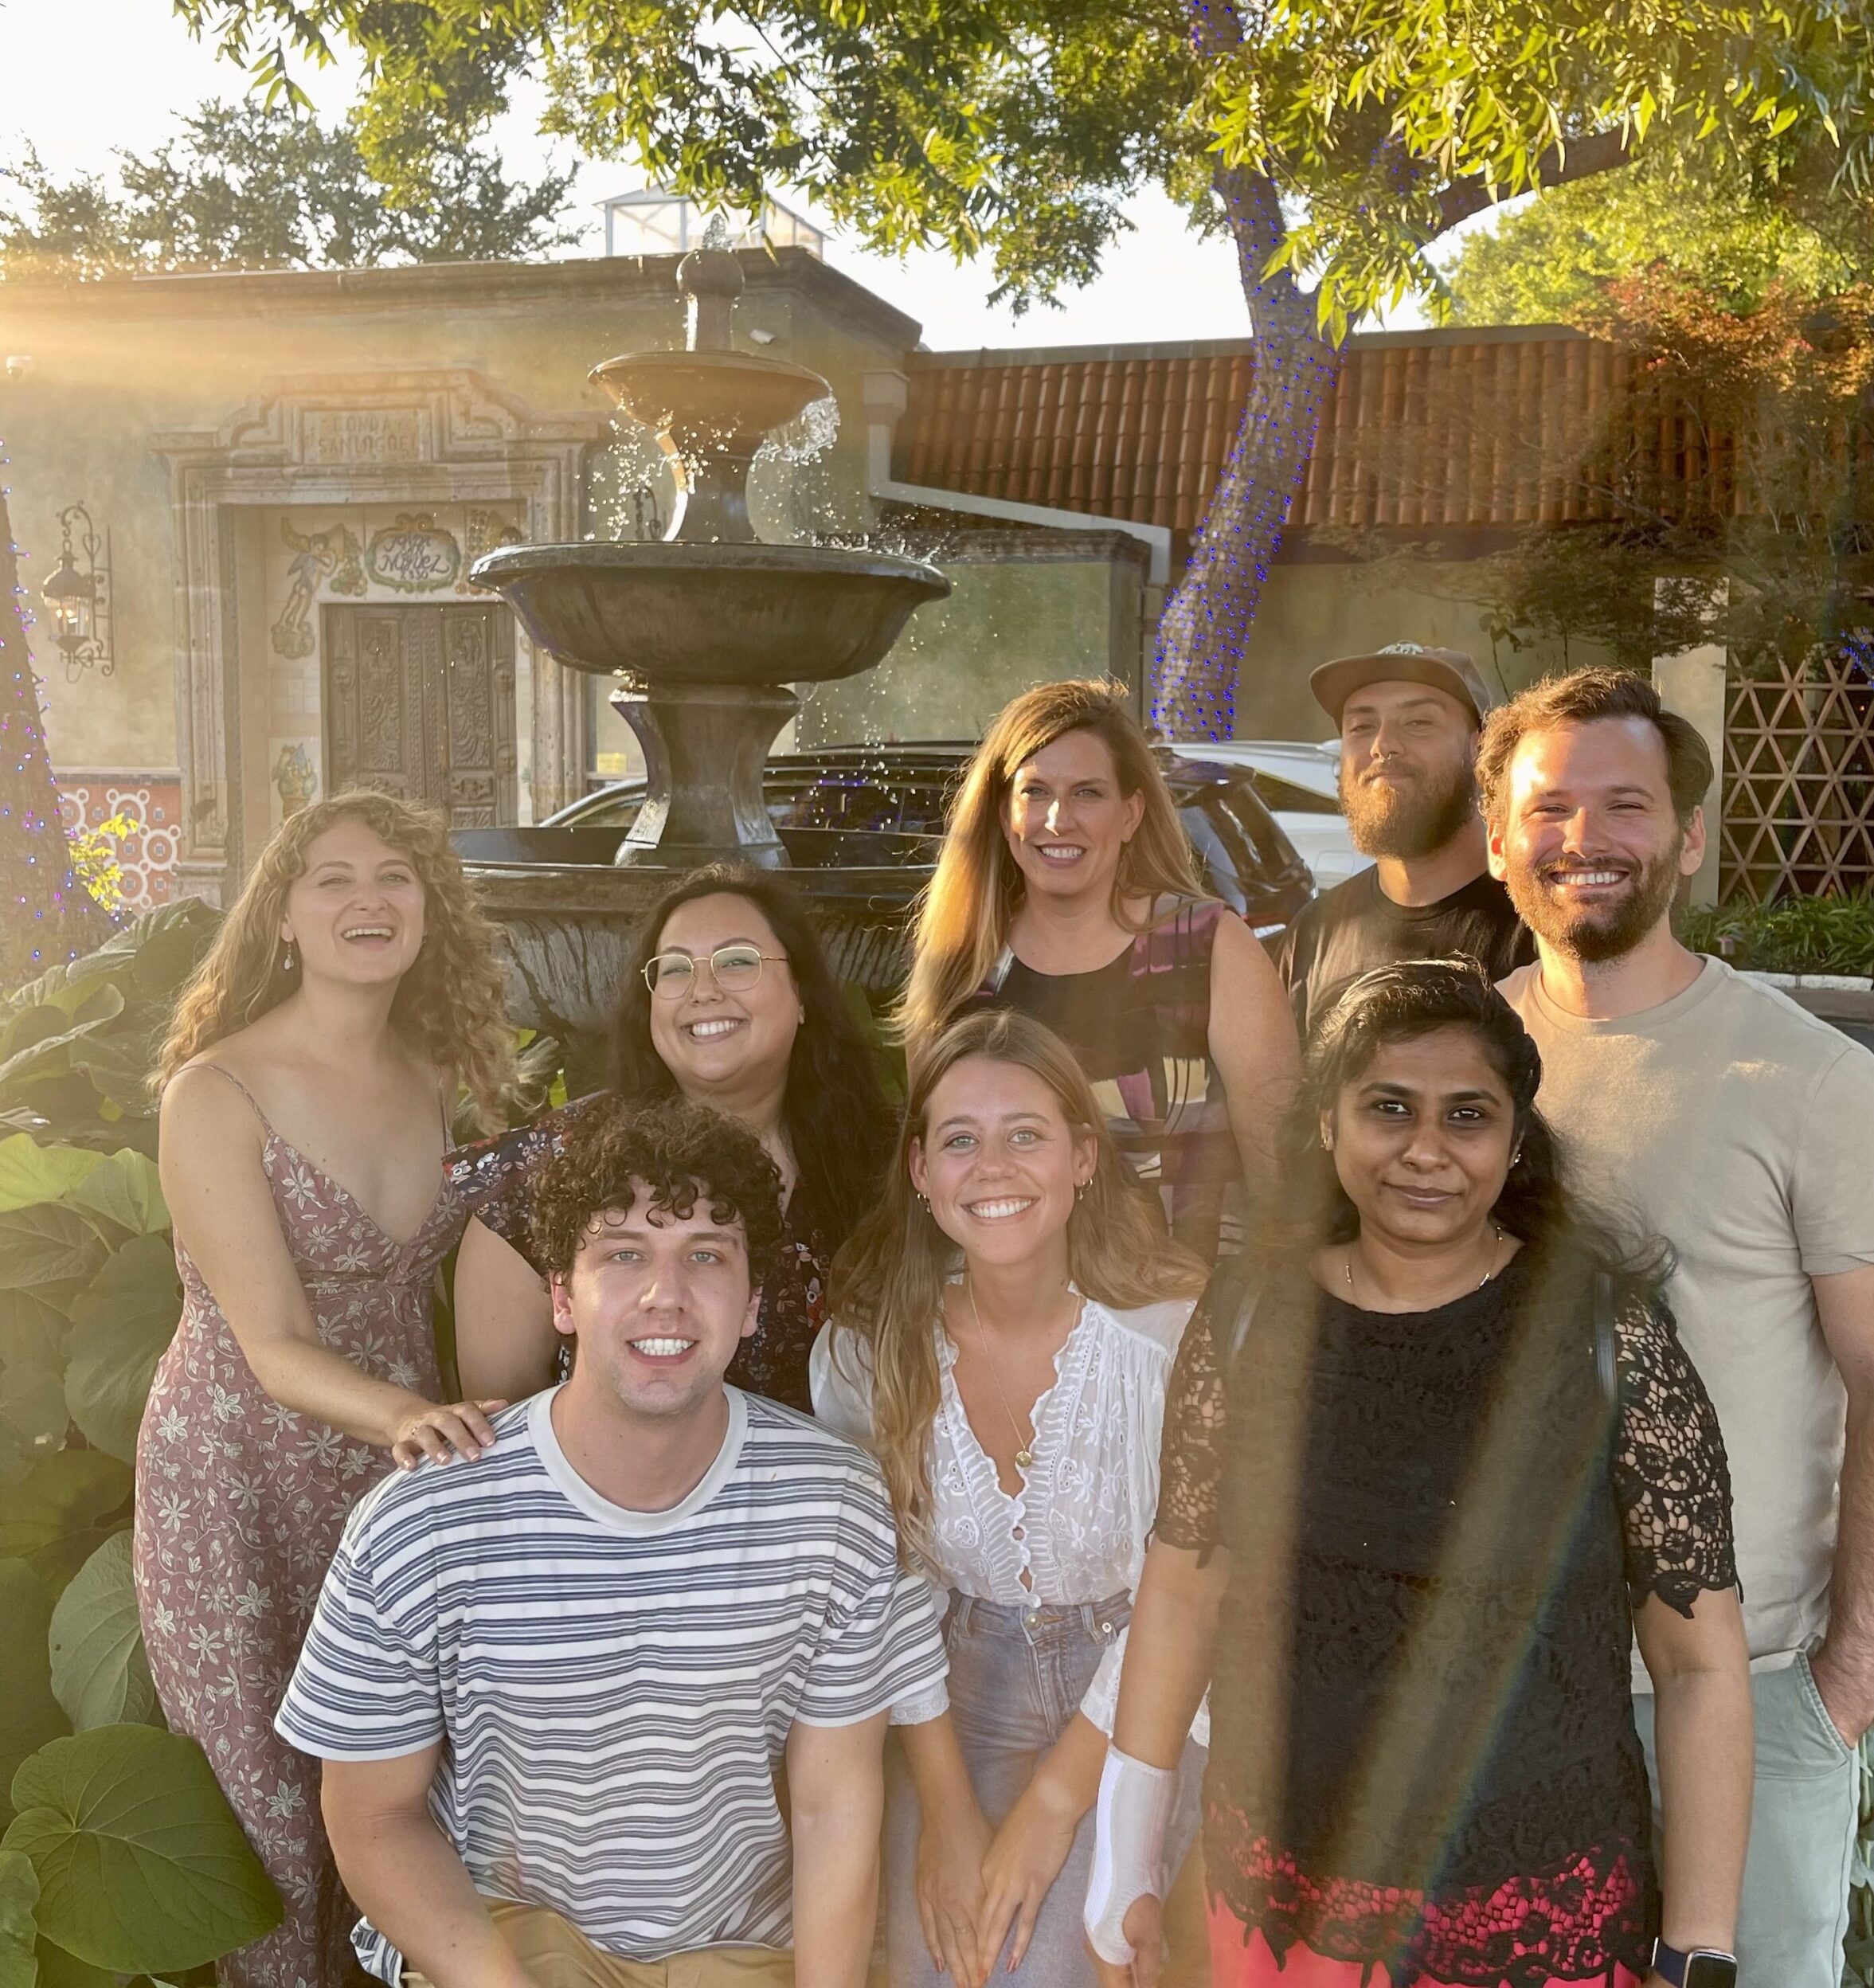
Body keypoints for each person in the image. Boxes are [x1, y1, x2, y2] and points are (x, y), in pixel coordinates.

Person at [1087, 961, 1753, 1988]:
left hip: (1537, 1920)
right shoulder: (1250, 1316)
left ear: (1515, 1139)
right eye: (1388, 1108)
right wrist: (1124, 1856)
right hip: (1273, 1904)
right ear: (1327, 1123)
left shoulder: (1599, 1333)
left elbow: (1699, 1660)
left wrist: (1698, 1952)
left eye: (1467, 1115)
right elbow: (1184, 1584)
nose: (1426, 1150)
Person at [1479, 666, 1874, 1988]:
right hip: (1499, 1705)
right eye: (1550, 807)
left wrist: (1839, 1690)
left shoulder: (1814, 1084)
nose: (1584, 839)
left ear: (1690, 837)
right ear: (1497, 840)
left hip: (1738, 1702)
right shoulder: (1454, 1071)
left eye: (1625, 804)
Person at [277, 1094, 948, 1988]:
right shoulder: (424, 1521)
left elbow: (833, 1804)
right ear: (562, 1296)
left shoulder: (831, 1505)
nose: (664, 1292)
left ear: (752, 1303)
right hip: (504, 1940)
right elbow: (371, 1818)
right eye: (623, 1254)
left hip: (742, 1946)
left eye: (705, 1255)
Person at [135, 791, 516, 1988]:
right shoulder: (217, 1092)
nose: (367, 900)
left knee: (401, 1793)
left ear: (429, 912)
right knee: (273, 1811)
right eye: (332, 879)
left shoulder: (444, 1076)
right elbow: (271, 1341)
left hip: (399, 1477)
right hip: (237, 1475)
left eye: (395, 877)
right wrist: (410, 1414)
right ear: (284, 919)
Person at [815, 1010, 1210, 1988]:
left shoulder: (1175, 1339)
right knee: (940, 1964)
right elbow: (886, 1591)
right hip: (950, 1686)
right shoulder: (868, 1354)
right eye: (960, 1140)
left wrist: (1049, 1808)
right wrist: (949, 1819)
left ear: (1082, 1157)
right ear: (920, 1172)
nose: (992, 1167)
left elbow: (1195, 1595)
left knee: (1074, 1964)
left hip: (1150, 1676)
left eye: (1024, 1134)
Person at [448, 861, 894, 1411]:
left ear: (803, 995)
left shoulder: (892, 1163)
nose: (702, 991)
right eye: (676, 969)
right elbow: (504, 1433)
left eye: (737, 962)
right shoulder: (550, 1170)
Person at [896, 679, 1298, 1262]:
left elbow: (1282, 1174)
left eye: (1088, 793)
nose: (1059, 820)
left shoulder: (1209, 949)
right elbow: (933, 1186)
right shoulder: (959, 970)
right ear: (1005, 815)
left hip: (1191, 1320)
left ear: (1131, 813)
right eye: (1035, 792)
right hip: (1008, 1327)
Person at [1278, 644, 1531, 1033]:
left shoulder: (1540, 926)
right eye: (1362, 726)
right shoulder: (1314, 934)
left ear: (1479, 747)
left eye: (1418, 723)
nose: (1383, 745)